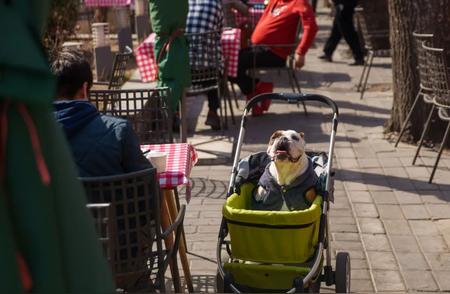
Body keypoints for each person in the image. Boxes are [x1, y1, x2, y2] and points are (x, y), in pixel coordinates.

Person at [51, 49, 152, 177]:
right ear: (84, 89)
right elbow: (147, 180)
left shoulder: (28, 136)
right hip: (113, 197)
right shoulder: (119, 131)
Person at [229, 0, 318, 115]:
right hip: (260, 49)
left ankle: (257, 94)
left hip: (275, 53)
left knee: (233, 64)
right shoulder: (275, 1)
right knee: (228, 61)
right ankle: (258, 91)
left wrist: (301, 52)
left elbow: (311, 27)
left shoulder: (299, 2)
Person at [186, 0, 224, 130]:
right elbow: (219, 32)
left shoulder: (184, 4)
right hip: (209, 74)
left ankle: (176, 114)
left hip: (186, 74)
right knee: (218, 69)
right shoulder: (216, 4)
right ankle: (213, 112)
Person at [318, 0, 364, 65]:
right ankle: (328, 52)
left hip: (345, 4)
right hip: (342, 4)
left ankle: (359, 57)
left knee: (348, 31)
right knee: (336, 30)